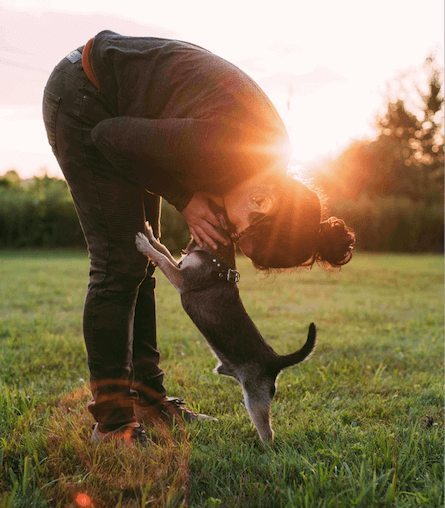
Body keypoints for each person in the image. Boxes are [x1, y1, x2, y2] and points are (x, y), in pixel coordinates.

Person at [42, 30, 355, 446]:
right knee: (119, 262)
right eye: (239, 229)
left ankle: (149, 403)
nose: (228, 230)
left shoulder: (265, 160)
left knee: (141, 266)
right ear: (263, 202)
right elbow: (107, 136)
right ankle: (113, 426)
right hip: (85, 96)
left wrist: (188, 193)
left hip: (119, 107)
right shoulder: (224, 146)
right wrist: (184, 197)